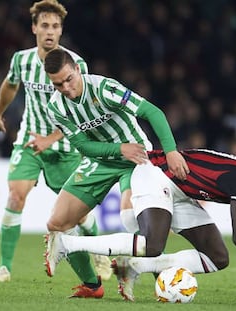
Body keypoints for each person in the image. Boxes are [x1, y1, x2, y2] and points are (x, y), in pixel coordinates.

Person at [46, 148, 236, 303]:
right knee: (153, 245)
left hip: (181, 191)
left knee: (217, 258)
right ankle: (66, 243)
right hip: (157, 175)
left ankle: (132, 267)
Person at [0, 0, 113, 295]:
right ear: (34, 28)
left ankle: (101, 255)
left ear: (61, 30)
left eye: (55, 26)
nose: (50, 31)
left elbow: (80, 112)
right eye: (44, 25)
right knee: (16, 196)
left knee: (79, 215)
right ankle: (4, 267)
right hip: (30, 142)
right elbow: (10, 84)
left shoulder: (75, 65)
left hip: (67, 147)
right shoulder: (22, 60)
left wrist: (51, 139)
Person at [41, 48, 189, 288]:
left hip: (137, 157)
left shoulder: (104, 89)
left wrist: (171, 150)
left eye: (69, 79)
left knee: (130, 217)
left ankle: (160, 280)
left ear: (78, 69)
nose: (66, 88)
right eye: (58, 85)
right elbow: (83, 146)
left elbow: (152, 111)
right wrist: (119, 149)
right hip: (100, 160)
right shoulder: (56, 108)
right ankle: (91, 286)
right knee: (56, 223)